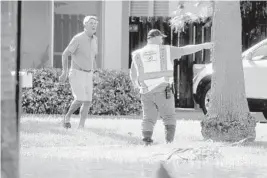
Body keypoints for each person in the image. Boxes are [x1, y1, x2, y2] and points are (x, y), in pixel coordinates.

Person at [130, 29, 213, 145]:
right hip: (163, 90)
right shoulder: (166, 50)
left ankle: (147, 142)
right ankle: (169, 143)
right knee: (169, 117)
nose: (162, 40)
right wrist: (203, 45)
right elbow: (186, 49)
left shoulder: (137, 54)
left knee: (148, 118)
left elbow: (133, 74)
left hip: (145, 92)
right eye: (161, 38)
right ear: (155, 38)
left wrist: (137, 86)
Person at [59, 15, 98, 129]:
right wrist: (64, 72)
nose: (94, 25)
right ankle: (67, 117)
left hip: (89, 74)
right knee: (80, 99)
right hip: (76, 73)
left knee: (87, 101)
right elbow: (65, 54)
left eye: (95, 23)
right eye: (91, 22)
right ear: (85, 24)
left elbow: (92, 58)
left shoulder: (95, 39)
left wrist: (95, 72)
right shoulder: (78, 38)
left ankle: (81, 127)